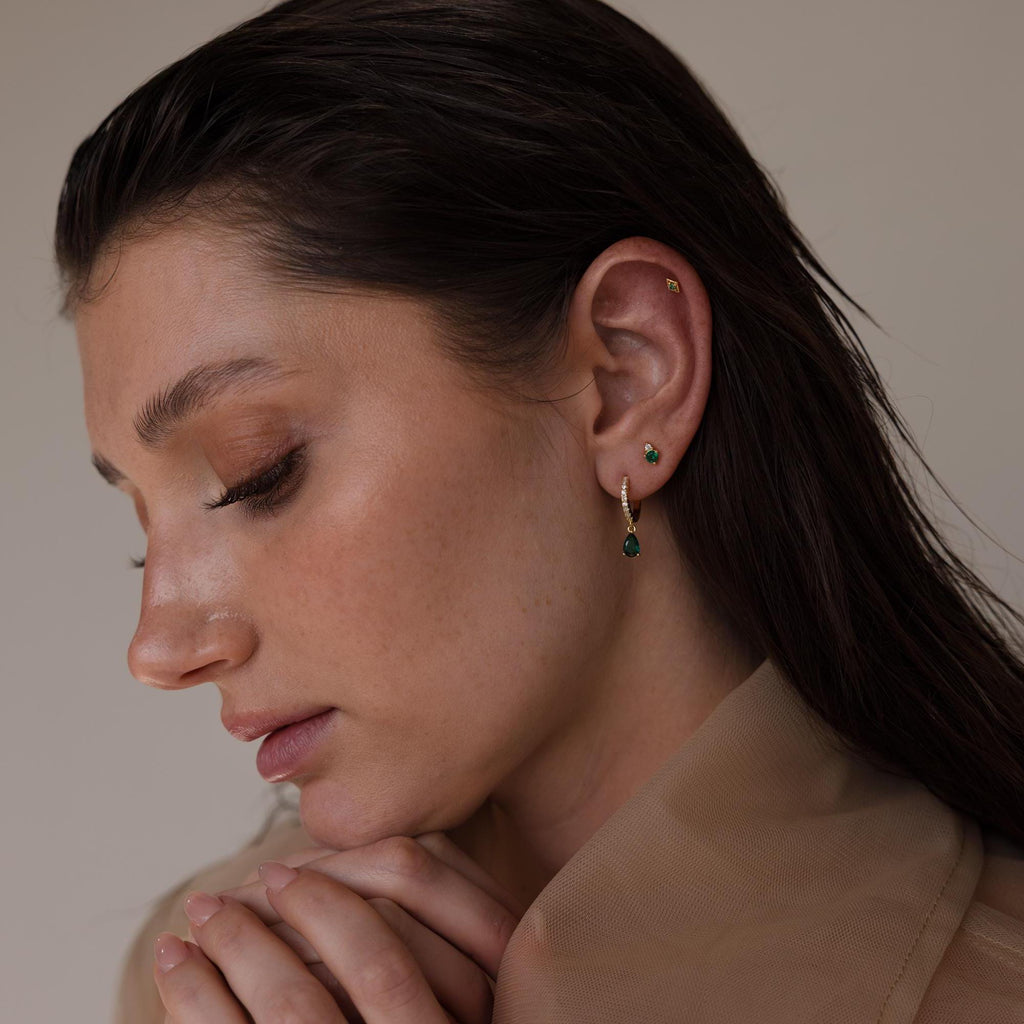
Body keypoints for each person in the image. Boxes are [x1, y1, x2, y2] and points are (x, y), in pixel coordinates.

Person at [55, 0, 1024, 1020]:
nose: (157, 648)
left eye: (257, 472)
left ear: (625, 377)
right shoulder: (219, 978)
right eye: (141, 532)